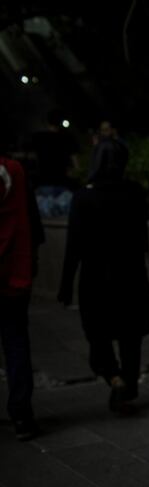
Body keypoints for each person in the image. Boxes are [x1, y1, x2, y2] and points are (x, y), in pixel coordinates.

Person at [58, 139, 149, 413]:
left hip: (96, 280)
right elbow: (141, 239)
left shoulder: (84, 198)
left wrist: (65, 286)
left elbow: (73, 246)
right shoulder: (134, 193)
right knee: (130, 336)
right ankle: (128, 382)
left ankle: (114, 377)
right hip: (131, 277)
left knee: (97, 335)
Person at [0, 135, 44, 440]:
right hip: (14, 274)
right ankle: (21, 415)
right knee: (16, 344)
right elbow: (32, 219)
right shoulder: (14, 170)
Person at [31, 110, 79, 218]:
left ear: (47, 122)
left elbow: (33, 159)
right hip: (63, 184)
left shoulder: (38, 138)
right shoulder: (68, 138)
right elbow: (75, 164)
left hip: (43, 183)